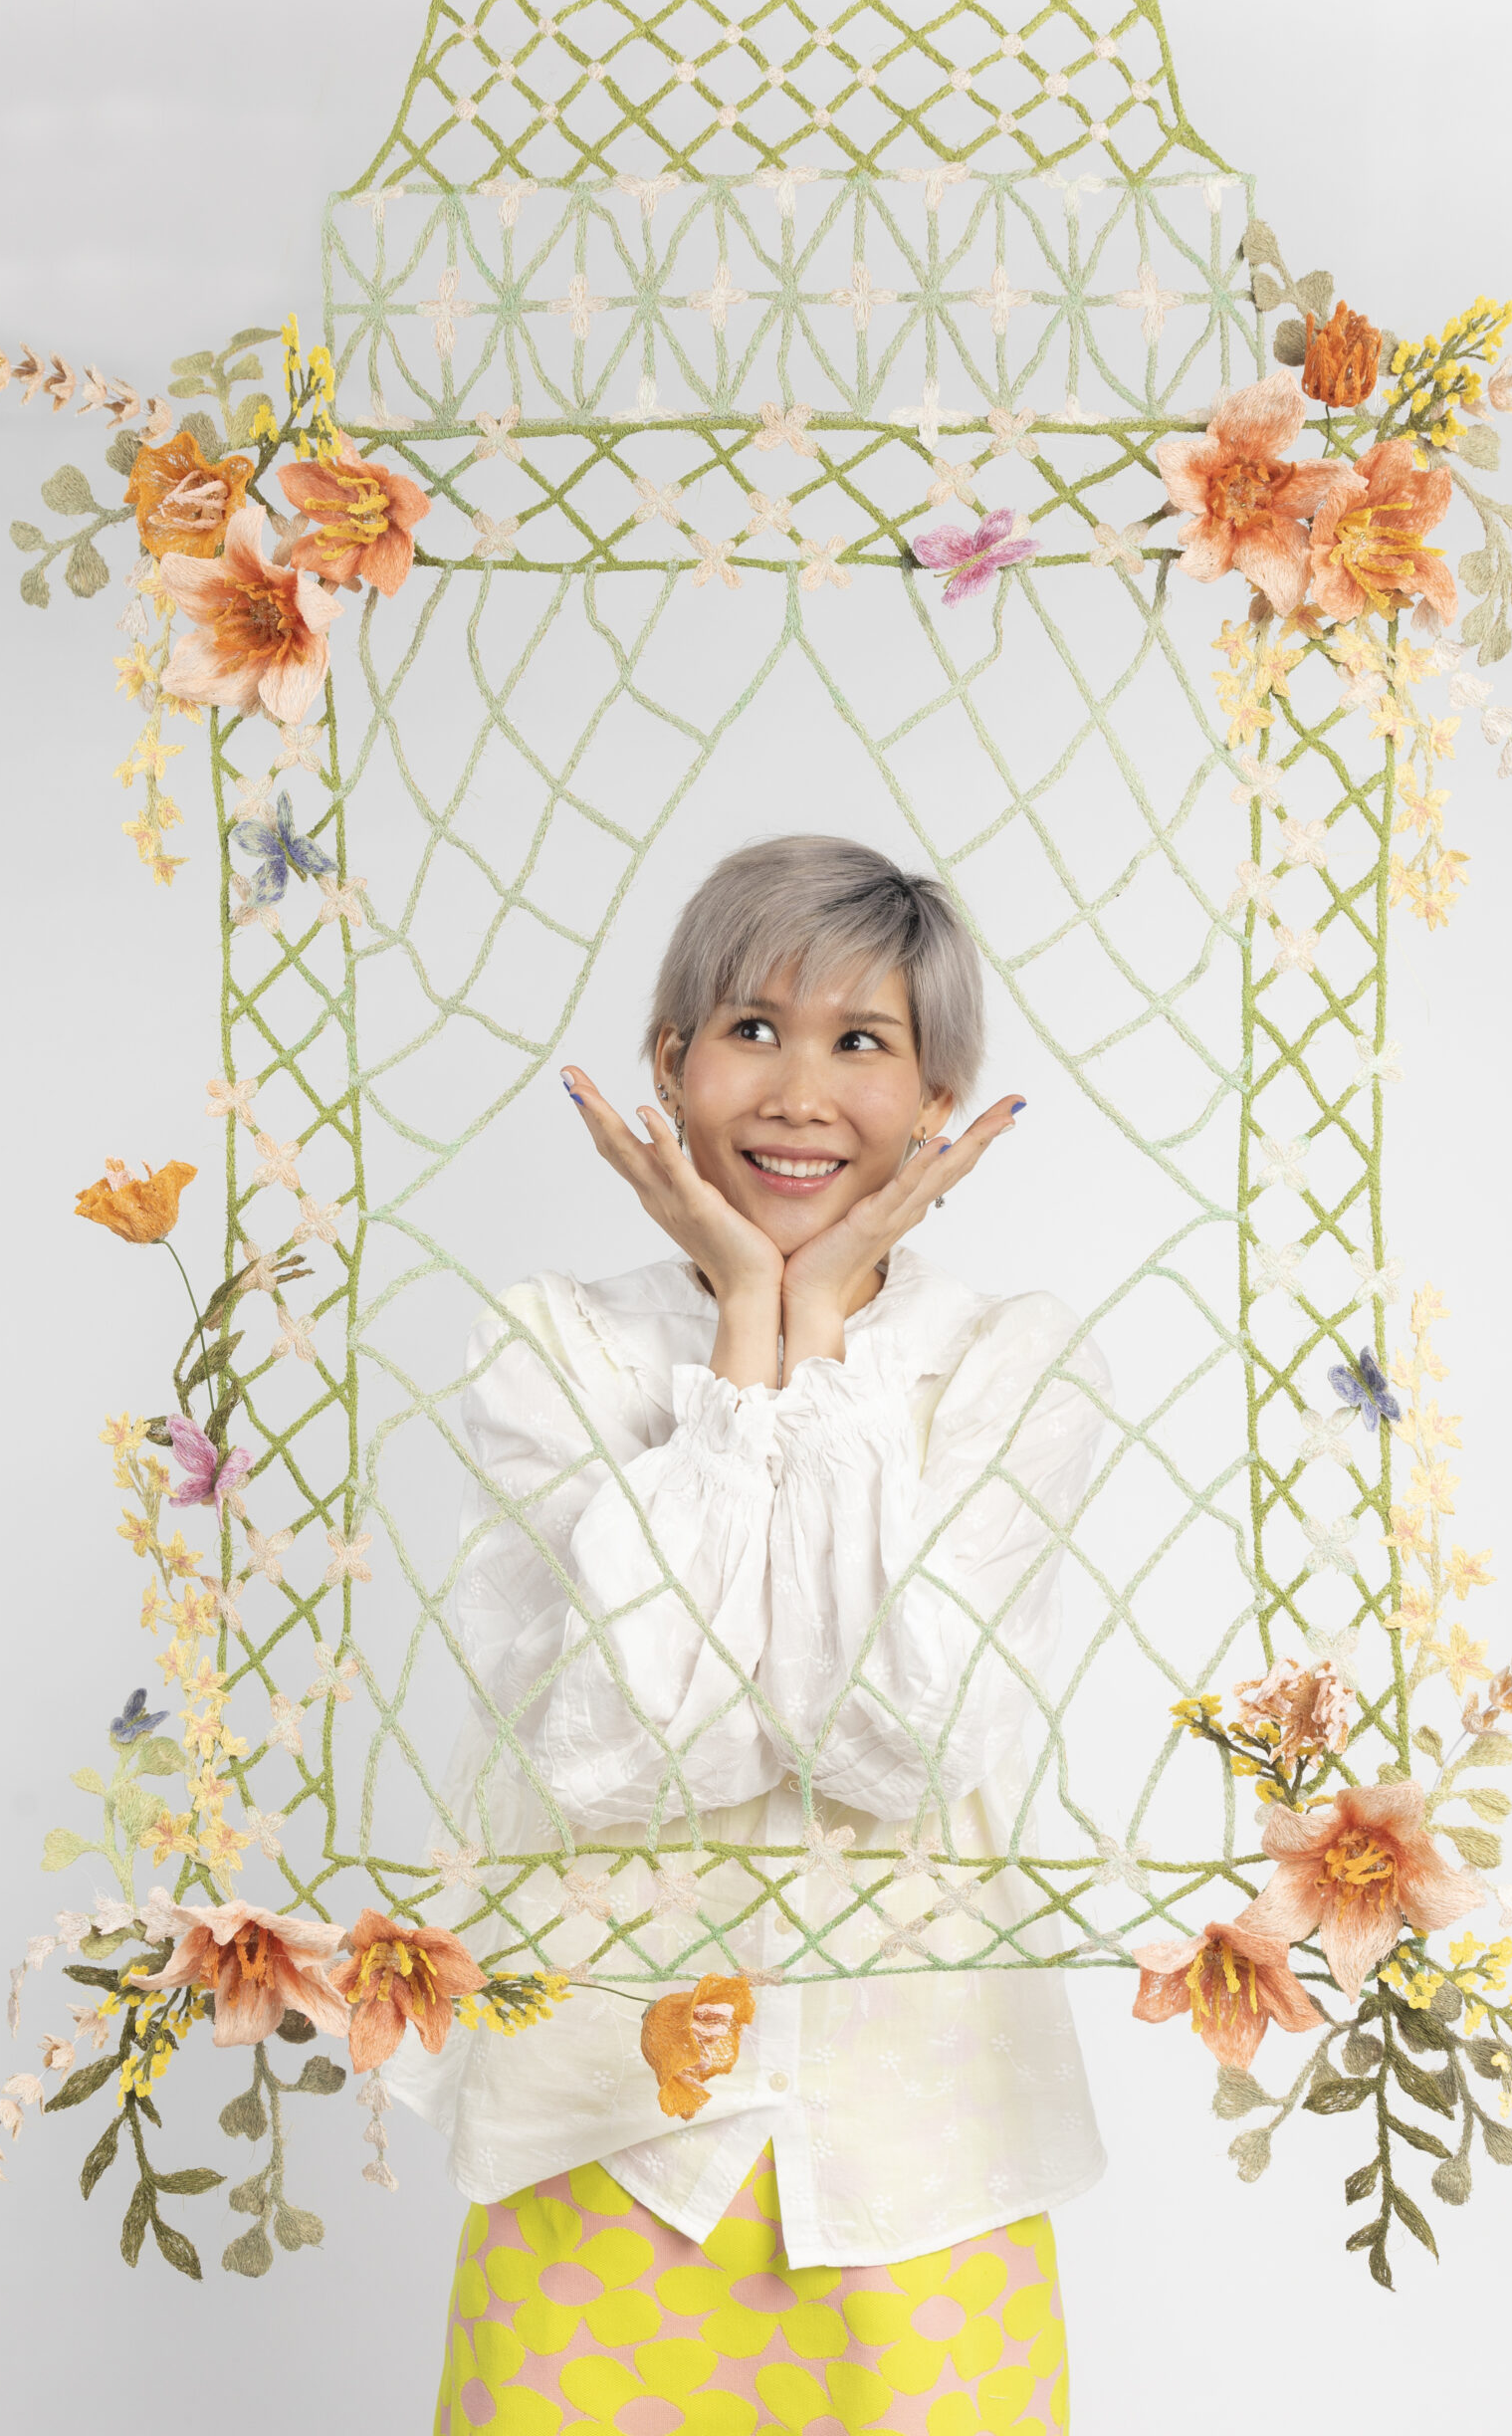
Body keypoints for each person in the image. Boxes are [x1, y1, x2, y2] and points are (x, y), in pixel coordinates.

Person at [391, 835, 1113, 2435]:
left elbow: (906, 1756)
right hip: (606, 2143)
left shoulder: (1013, 1365)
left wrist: (823, 1333)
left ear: (937, 1100)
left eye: (861, 1042)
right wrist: (746, 1328)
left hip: (922, 2163)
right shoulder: (555, 1349)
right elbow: (621, 1756)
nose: (799, 1093)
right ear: (671, 1061)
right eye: (752, 1029)